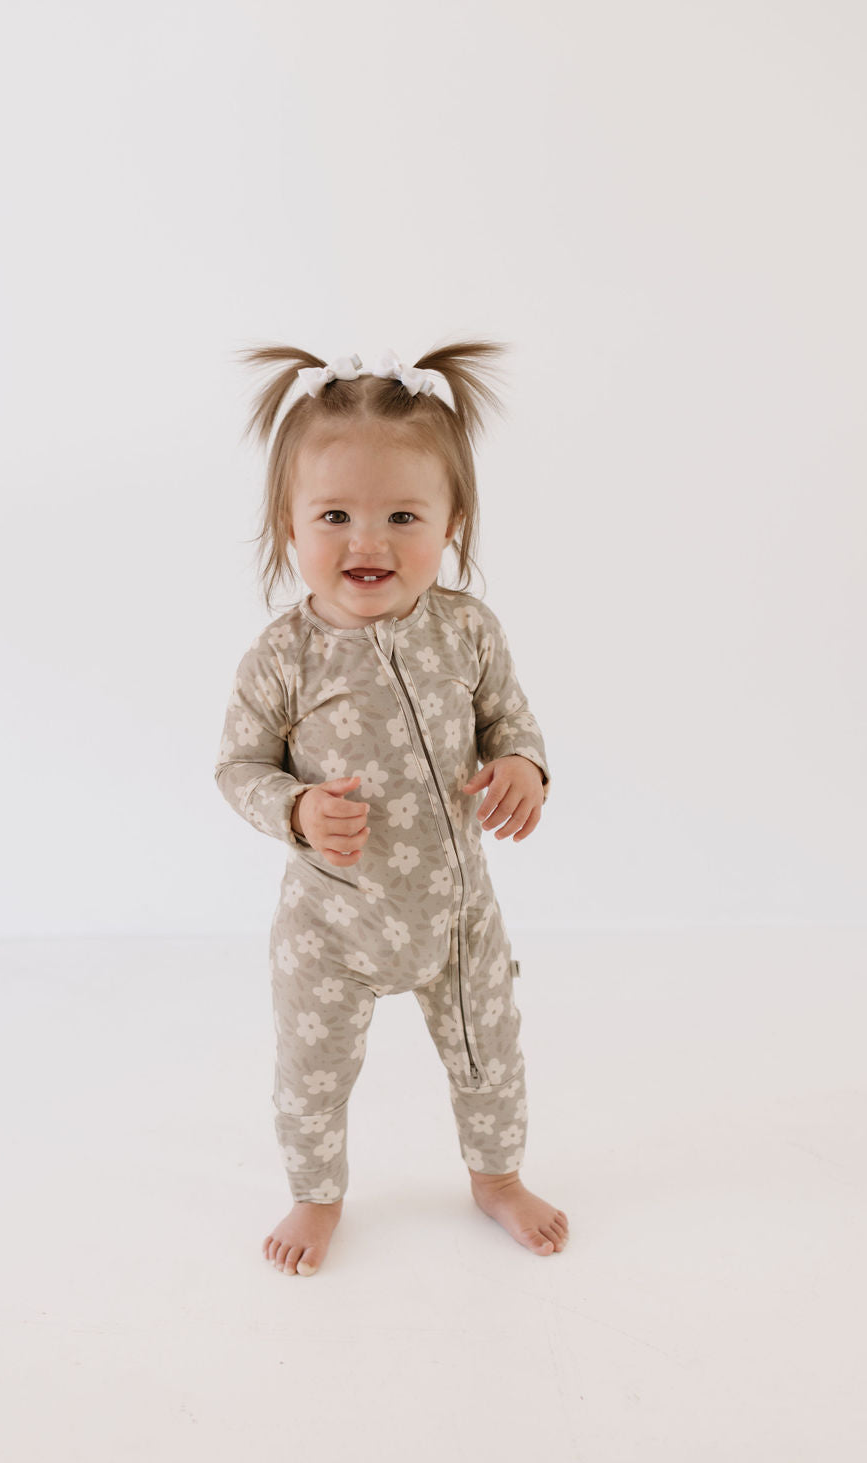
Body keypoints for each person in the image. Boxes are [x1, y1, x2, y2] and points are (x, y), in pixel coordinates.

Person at [215, 340, 570, 1276]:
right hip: (331, 926)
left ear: (451, 523)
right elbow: (238, 766)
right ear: (289, 526)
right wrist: (294, 811)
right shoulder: (282, 657)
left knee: (492, 1050)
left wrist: (523, 767)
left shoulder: (468, 629)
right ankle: (315, 1194)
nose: (366, 543)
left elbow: (511, 720)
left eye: (401, 515)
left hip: (457, 918)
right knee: (313, 1073)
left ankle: (497, 1177)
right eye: (334, 515)